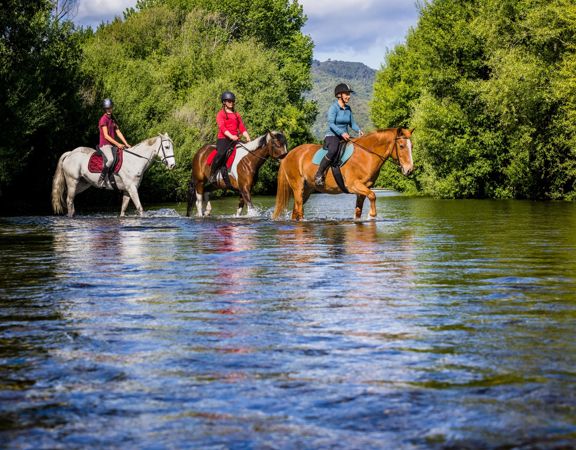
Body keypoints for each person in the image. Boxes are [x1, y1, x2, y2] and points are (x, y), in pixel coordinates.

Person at [314, 83, 363, 187]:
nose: (349, 96)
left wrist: (359, 130)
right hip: (332, 136)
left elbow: (352, 123)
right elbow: (331, 124)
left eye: (349, 94)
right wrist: (342, 133)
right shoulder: (334, 108)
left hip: (345, 137)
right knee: (333, 150)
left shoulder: (348, 109)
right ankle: (319, 174)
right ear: (339, 95)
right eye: (346, 94)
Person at [211, 91, 251, 185]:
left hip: (235, 139)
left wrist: (248, 137)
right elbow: (222, 127)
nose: (231, 103)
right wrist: (231, 136)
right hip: (223, 139)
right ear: (224, 102)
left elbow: (242, 127)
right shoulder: (220, 114)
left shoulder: (236, 115)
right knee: (220, 153)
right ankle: (212, 174)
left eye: (232, 101)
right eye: (229, 101)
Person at [98, 98, 130, 186]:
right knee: (111, 159)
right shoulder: (103, 119)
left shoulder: (112, 119)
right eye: (107, 108)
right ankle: (102, 178)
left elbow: (118, 132)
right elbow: (106, 136)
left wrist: (126, 143)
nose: (109, 110)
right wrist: (118, 144)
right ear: (104, 109)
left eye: (110, 108)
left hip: (112, 145)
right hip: (105, 145)